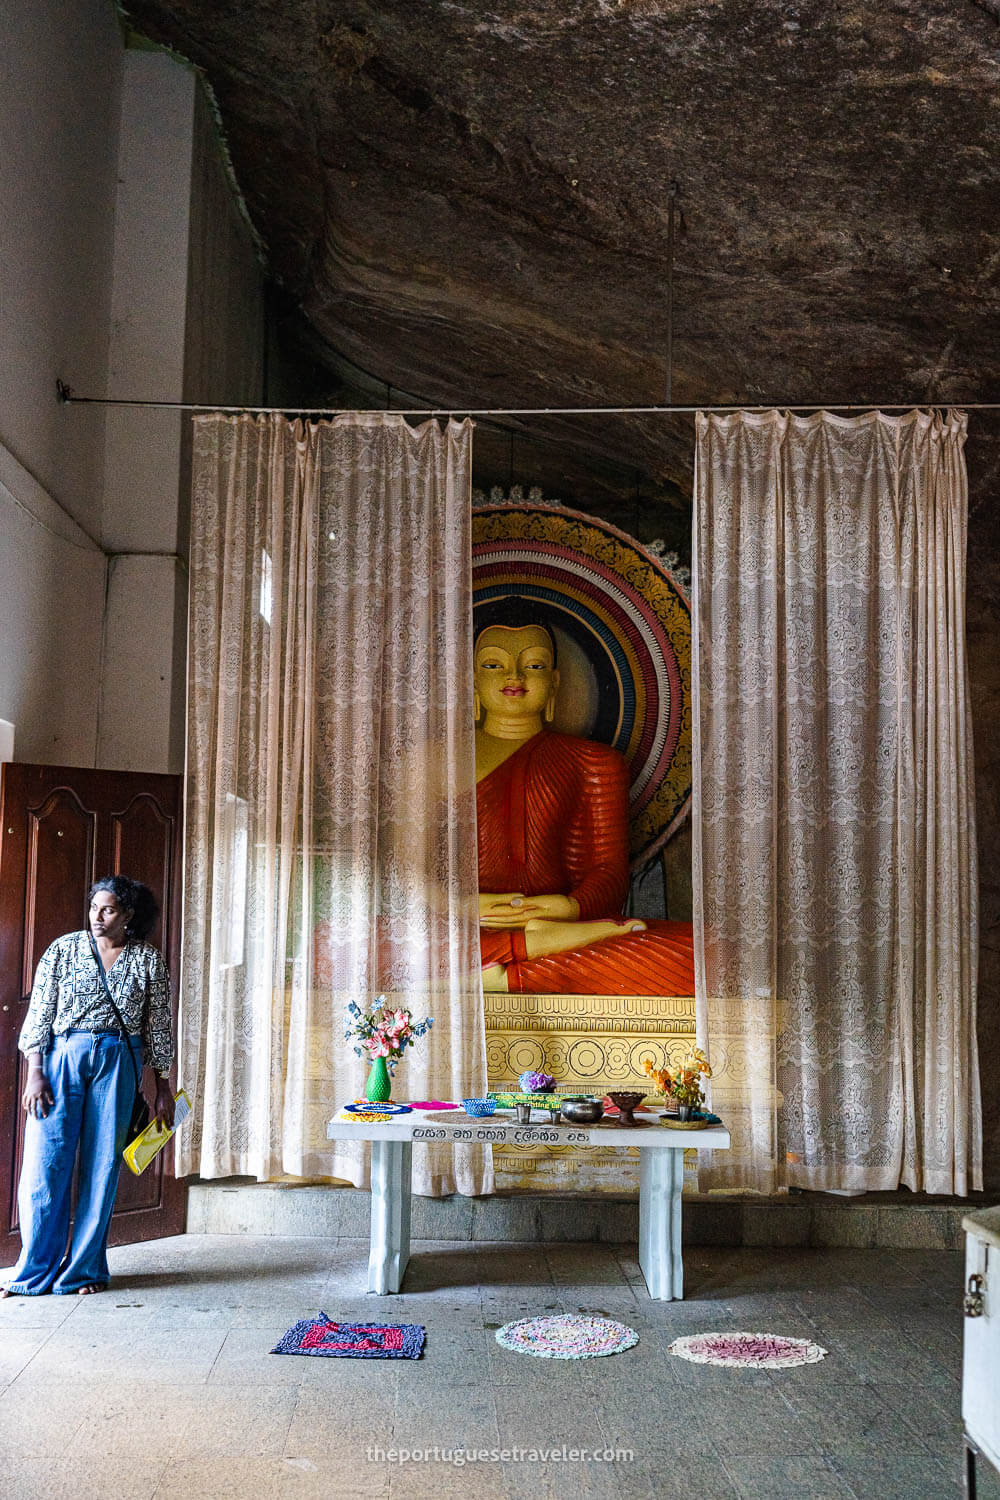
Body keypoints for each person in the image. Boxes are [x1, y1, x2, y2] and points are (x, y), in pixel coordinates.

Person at [475, 618, 695, 996]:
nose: (513, 675)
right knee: (351, 946)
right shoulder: (432, 765)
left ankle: (499, 975)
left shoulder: (593, 762)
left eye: (535, 665)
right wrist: (462, 907)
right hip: (461, 929)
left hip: (568, 927)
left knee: (706, 956)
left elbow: (608, 873)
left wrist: (568, 909)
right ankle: (526, 952)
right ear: (472, 681)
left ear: (556, 682)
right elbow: (410, 885)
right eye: (493, 664)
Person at [2, 876, 175, 1296]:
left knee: (103, 1167)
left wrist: (164, 1086)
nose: (98, 917)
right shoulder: (63, 950)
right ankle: (32, 1273)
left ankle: (84, 1271)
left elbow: (160, 1026)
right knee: (46, 1163)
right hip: (63, 1057)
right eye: (95, 907)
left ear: (128, 915)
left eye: (109, 909)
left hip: (122, 1059)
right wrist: (35, 1071)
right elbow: (40, 1012)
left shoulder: (148, 961)